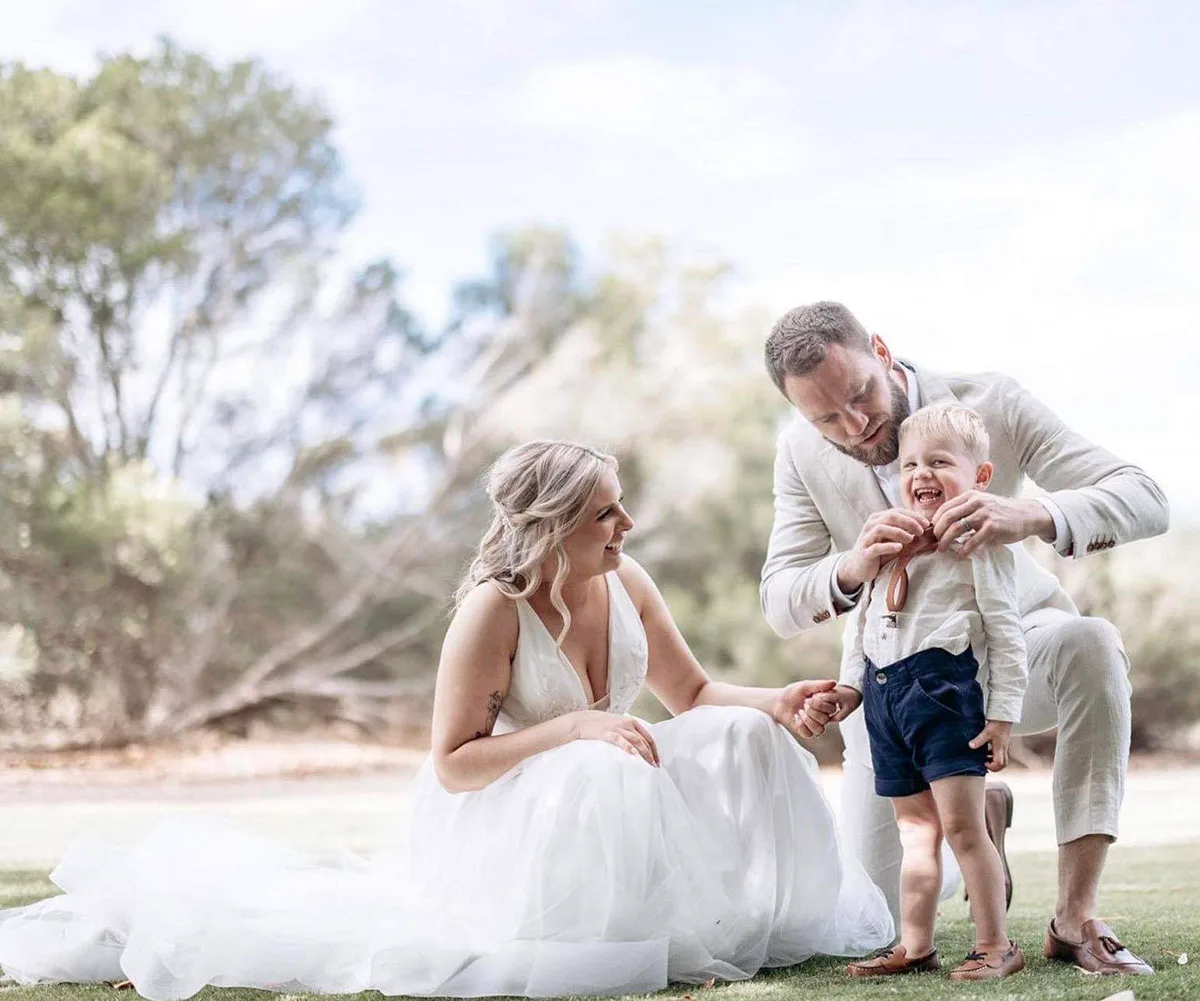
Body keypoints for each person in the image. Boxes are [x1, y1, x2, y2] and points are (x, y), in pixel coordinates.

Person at [0, 439, 893, 1000]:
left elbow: (693, 697)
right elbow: (455, 761)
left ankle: (766, 918)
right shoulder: (492, 611)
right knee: (604, 759)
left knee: (739, 732)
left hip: (605, 782)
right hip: (503, 812)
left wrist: (775, 702)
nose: (628, 520)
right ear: (553, 526)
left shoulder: (628, 580)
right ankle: (602, 936)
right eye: (605, 510)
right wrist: (575, 728)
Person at [761, 301, 1167, 977]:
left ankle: (1075, 917)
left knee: (1092, 640)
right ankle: (980, 813)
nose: (855, 425)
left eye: (860, 394)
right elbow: (779, 597)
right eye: (826, 417)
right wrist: (851, 565)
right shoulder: (800, 452)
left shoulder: (992, 401)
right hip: (894, 683)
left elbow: (1144, 494)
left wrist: (1028, 512)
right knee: (873, 926)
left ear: (882, 351)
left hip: (1009, 646)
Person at [830, 402, 1027, 980]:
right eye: (911, 463)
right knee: (914, 831)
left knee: (963, 831)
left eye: (940, 461)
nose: (921, 474)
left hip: (945, 694)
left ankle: (995, 944)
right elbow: (861, 620)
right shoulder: (888, 540)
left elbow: (1006, 635)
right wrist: (850, 686)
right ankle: (915, 945)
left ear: (980, 478)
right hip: (887, 697)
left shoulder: (982, 547)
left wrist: (1002, 715)